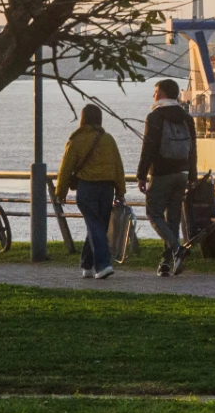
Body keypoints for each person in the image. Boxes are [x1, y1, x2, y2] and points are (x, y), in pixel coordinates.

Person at [59, 104, 128, 280]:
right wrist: (121, 190)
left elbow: (65, 168)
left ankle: (100, 265)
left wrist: (61, 192)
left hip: (87, 187)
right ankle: (90, 265)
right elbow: (118, 166)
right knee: (99, 225)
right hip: (107, 188)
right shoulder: (108, 139)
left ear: (83, 118)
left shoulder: (76, 140)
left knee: (95, 225)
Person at [139, 79, 199, 277]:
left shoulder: (155, 117)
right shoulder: (186, 117)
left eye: (156, 92)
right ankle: (165, 263)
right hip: (182, 173)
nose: (153, 96)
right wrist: (192, 175)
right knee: (172, 219)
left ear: (163, 94)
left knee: (153, 213)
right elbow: (193, 150)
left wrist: (141, 175)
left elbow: (148, 147)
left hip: (162, 172)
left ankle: (176, 248)